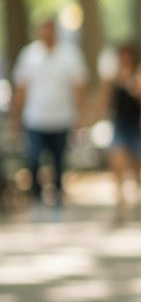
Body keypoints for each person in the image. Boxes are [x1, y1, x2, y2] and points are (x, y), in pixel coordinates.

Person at [10, 15, 88, 209]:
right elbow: (21, 89)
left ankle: (58, 194)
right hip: (35, 119)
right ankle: (37, 195)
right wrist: (15, 116)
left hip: (61, 118)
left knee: (59, 161)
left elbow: (78, 88)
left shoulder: (70, 55)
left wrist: (80, 115)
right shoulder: (28, 56)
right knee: (34, 158)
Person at [106, 43, 141, 223]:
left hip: (136, 125)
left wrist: (133, 85)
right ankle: (120, 201)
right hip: (120, 124)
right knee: (117, 160)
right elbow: (107, 100)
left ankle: (139, 198)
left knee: (137, 165)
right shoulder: (113, 76)